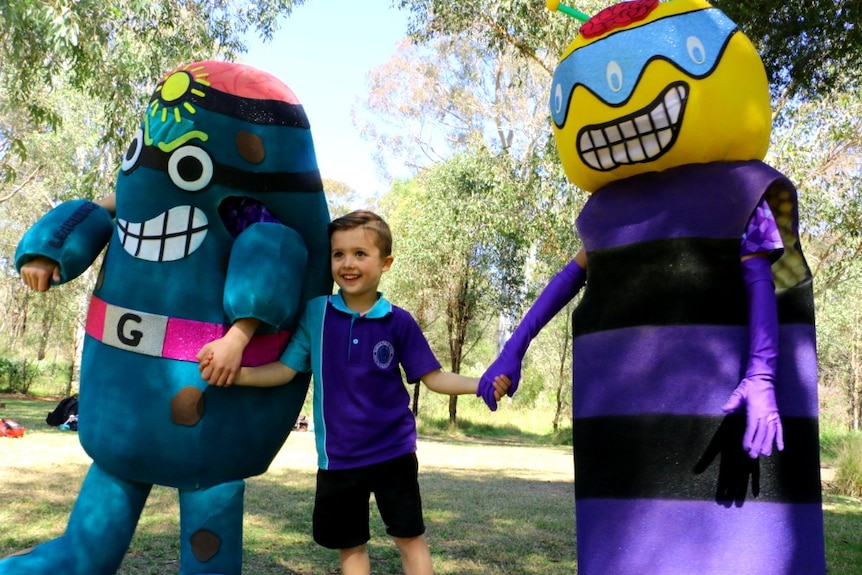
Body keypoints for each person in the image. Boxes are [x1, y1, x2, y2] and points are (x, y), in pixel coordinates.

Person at [198, 210, 511, 575]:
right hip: (338, 459)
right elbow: (286, 371)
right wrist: (238, 375)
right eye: (338, 254)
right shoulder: (316, 314)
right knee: (350, 546)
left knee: (410, 538)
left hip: (393, 452)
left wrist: (482, 383)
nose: (348, 263)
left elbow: (434, 378)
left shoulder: (399, 321)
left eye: (360, 254)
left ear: (385, 263)